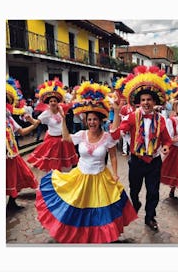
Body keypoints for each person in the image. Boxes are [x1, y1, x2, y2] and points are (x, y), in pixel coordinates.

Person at [35, 81, 137, 243]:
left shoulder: (107, 137)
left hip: (100, 177)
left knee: (101, 207)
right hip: (80, 176)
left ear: (100, 121)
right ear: (86, 120)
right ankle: (78, 233)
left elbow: (113, 156)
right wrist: (63, 120)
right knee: (77, 205)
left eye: (95, 119)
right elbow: (67, 139)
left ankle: (100, 234)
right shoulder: (81, 134)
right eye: (89, 119)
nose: (92, 122)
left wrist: (116, 174)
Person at [111, 65, 172, 231]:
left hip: (154, 162)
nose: (146, 102)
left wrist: (165, 147)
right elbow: (117, 133)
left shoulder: (161, 120)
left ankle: (150, 217)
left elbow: (167, 140)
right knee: (134, 190)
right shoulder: (132, 117)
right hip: (136, 161)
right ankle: (136, 203)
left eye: (149, 100)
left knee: (153, 192)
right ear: (139, 102)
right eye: (143, 100)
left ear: (154, 102)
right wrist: (116, 115)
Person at [27, 78, 78, 172]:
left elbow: (70, 104)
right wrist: (30, 119)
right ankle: (54, 179)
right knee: (54, 164)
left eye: (54, 101)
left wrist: (74, 94)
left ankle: (62, 179)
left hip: (64, 139)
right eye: (51, 101)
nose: (53, 102)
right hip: (53, 141)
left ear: (57, 102)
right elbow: (36, 123)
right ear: (48, 103)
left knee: (64, 164)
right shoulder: (46, 114)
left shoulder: (62, 108)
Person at [6, 77, 38, 211]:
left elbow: (22, 131)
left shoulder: (9, 119)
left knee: (18, 176)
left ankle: (11, 203)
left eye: (6, 101)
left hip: (12, 155)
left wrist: (35, 125)